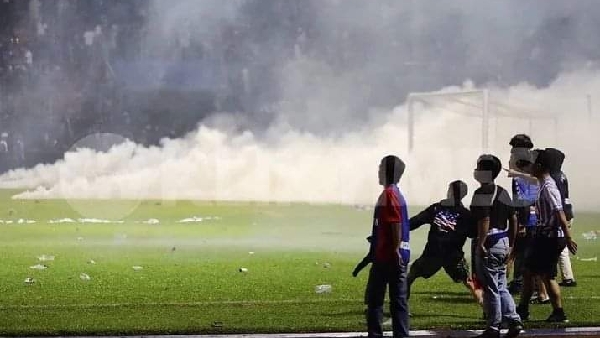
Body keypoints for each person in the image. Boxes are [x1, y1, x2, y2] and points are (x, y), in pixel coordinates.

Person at [516, 149, 578, 323]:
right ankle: (524, 309)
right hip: (544, 234)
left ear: (541, 166)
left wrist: (567, 237)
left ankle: (556, 312)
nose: (531, 167)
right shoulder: (542, 183)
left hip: (550, 236)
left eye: (533, 164)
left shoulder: (549, 187)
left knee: (544, 275)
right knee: (530, 272)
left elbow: (559, 212)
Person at [407, 180, 482, 307]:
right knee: (470, 282)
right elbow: (473, 233)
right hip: (454, 256)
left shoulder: (437, 208)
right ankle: (489, 312)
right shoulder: (465, 214)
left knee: (409, 277)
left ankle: (400, 309)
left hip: (432, 254)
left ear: (450, 192)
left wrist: (397, 230)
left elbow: (415, 222)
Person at [471, 154, 523, 338]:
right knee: (501, 285)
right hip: (503, 242)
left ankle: (493, 326)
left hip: (489, 244)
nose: (475, 171)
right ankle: (514, 320)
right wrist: (511, 243)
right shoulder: (503, 191)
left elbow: (484, 219)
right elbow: (513, 218)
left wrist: (481, 243)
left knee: (491, 287)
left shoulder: (481, 193)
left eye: (478, 167)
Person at [366, 155, 410, 338]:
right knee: (398, 301)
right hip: (394, 254)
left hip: (388, 257)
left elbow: (395, 222)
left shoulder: (389, 194)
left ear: (386, 171)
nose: (378, 171)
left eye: (380, 167)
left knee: (375, 300)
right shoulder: (396, 192)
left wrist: (393, 249)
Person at [545, 148, 577, 287]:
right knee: (562, 246)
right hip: (567, 210)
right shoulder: (561, 174)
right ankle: (568, 277)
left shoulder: (553, 176)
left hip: (561, 212)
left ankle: (558, 277)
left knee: (558, 245)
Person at [353, 236, 373, 306]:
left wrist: (356, 271)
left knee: (372, 287)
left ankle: (370, 305)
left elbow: (366, 261)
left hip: (379, 269)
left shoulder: (375, 249)